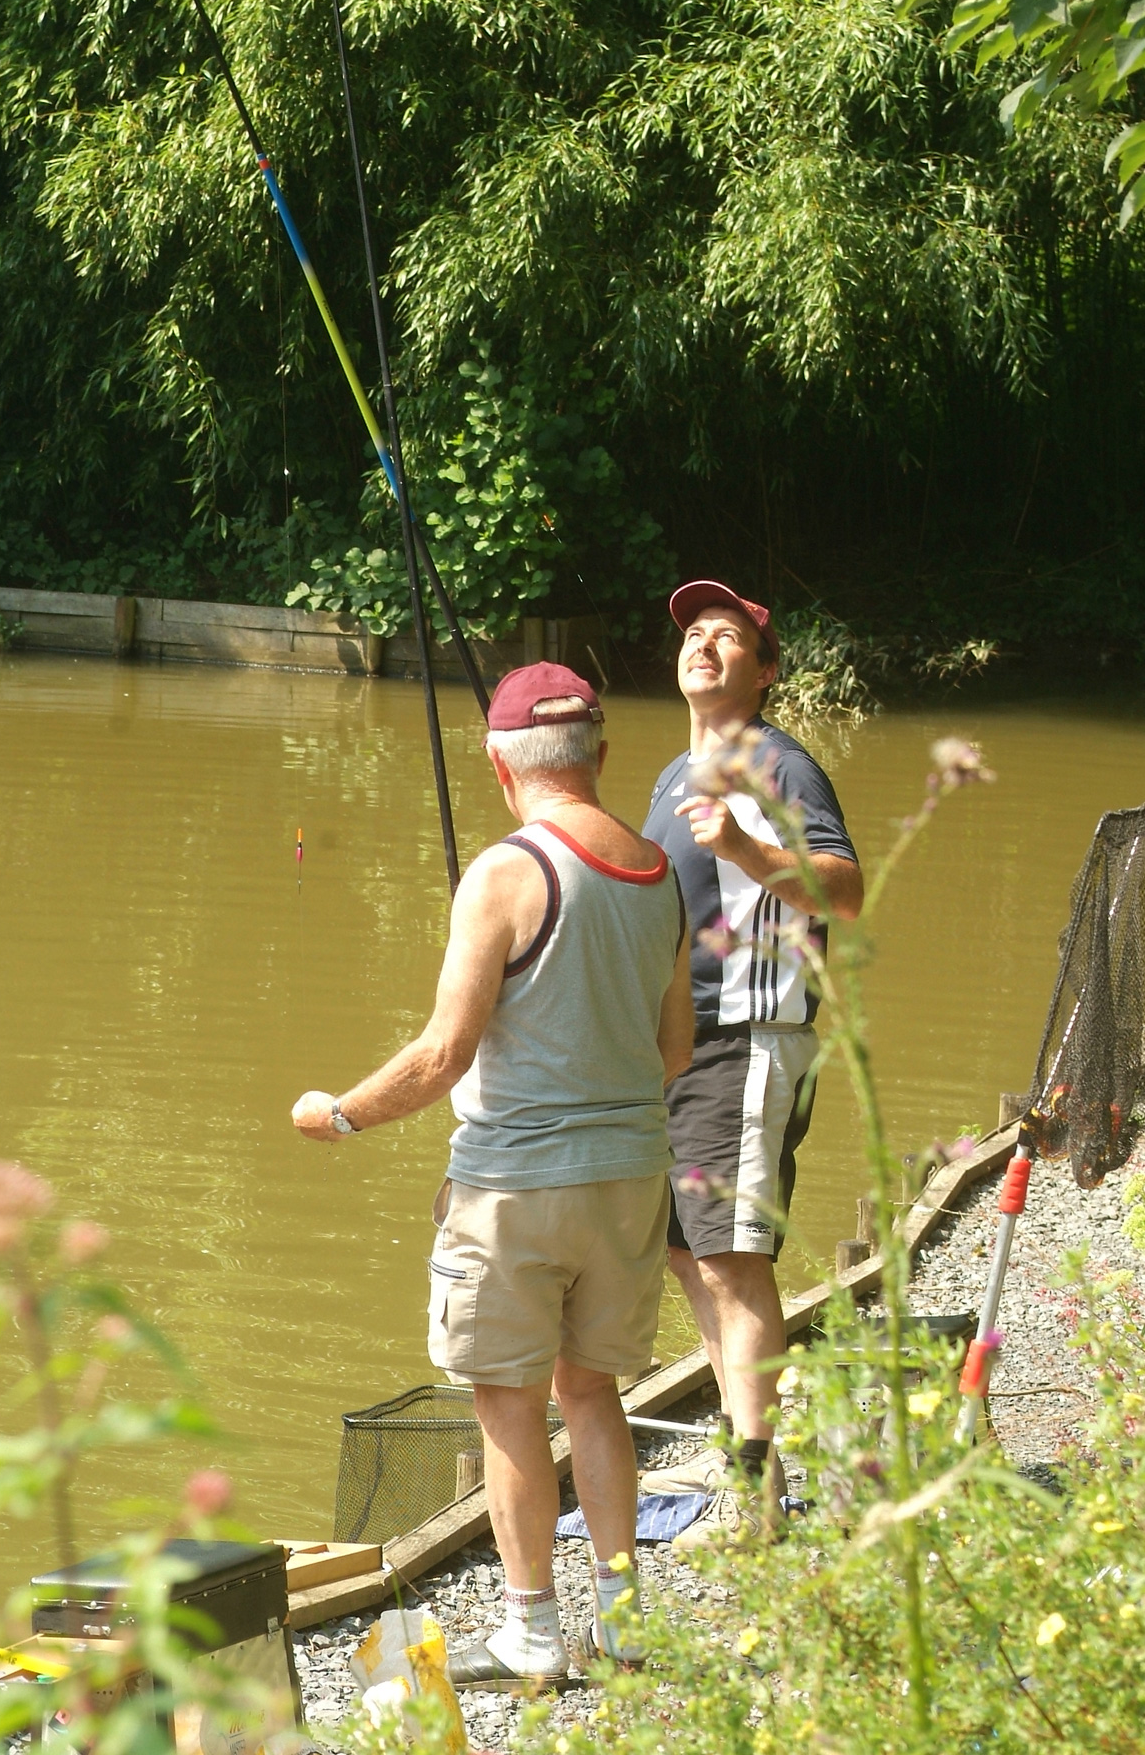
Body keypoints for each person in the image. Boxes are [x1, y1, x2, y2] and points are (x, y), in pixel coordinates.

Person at [291, 661, 693, 1683]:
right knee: (591, 1392)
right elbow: (675, 1050)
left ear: (495, 763)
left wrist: (335, 1114)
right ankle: (626, 1621)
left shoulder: (504, 875)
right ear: (600, 756)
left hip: (516, 1188)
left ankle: (528, 1630)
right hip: (631, 1181)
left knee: (509, 1404)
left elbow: (439, 1057)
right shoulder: (658, 870)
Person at [640, 581, 863, 1547]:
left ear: (763, 672)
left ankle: (756, 1496)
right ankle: (743, 1447)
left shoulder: (777, 762)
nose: (704, 645)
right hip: (679, 1045)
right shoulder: (667, 773)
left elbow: (846, 890)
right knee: (690, 1253)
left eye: (727, 637)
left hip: (745, 1037)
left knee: (731, 1262)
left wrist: (741, 843)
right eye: (694, 633)